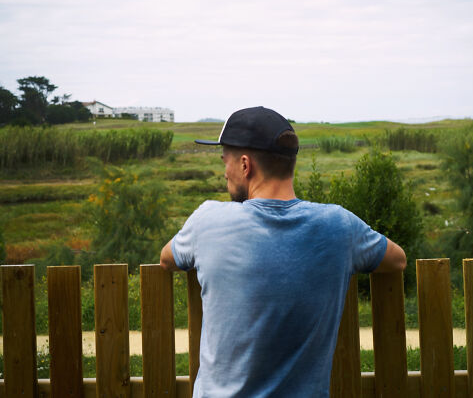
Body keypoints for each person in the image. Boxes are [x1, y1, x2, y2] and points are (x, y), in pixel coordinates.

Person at [160, 106, 406, 398]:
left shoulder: (208, 221)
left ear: (244, 165)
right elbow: (397, 259)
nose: (224, 172)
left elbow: (167, 259)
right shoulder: (339, 226)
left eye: (224, 160)